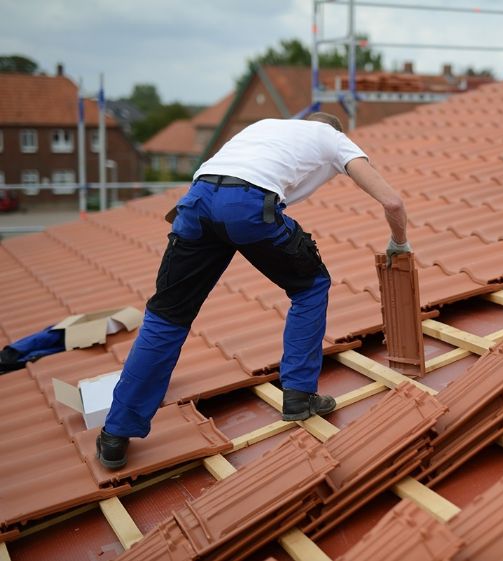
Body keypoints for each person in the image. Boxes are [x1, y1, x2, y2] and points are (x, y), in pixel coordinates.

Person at [96, 113, 410, 469]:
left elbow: (224, 178)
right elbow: (392, 202)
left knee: (167, 316)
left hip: (196, 202)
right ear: (333, 130)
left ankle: (115, 435)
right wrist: (400, 243)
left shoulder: (265, 128)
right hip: (245, 206)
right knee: (311, 285)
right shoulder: (333, 138)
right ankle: (299, 396)